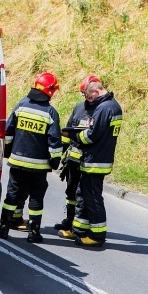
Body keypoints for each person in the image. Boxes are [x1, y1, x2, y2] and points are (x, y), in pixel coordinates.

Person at [0, 72, 62, 243]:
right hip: (38, 167)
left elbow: (8, 131)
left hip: (17, 162)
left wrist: (8, 152)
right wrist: (55, 161)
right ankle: (34, 233)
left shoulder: (21, 105)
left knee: (12, 195)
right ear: (50, 90)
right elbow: (54, 141)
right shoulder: (51, 113)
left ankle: (3, 229)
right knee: (36, 198)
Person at [58, 78, 122, 247]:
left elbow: (91, 136)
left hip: (95, 161)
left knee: (93, 199)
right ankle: (80, 231)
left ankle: (97, 236)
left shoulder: (104, 108)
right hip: (99, 159)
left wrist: (73, 135)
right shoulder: (113, 106)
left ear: (95, 91)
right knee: (84, 196)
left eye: (88, 95)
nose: (88, 99)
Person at [54, 74, 102, 232]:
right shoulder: (79, 108)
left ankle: (80, 225)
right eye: (84, 94)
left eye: (87, 94)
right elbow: (68, 131)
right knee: (71, 192)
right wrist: (60, 152)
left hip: (88, 161)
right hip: (73, 161)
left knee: (83, 195)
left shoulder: (101, 111)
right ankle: (69, 220)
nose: (87, 97)